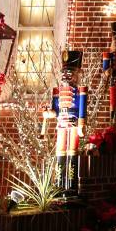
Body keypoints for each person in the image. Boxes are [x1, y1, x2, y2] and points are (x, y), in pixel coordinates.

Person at [47, 50, 87, 196]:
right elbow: (54, 110)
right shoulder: (57, 91)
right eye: (64, 72)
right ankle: (58, 184)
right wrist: (49, 113)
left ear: (77, 74)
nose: (65, 75)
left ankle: (71, 185)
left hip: (74, 123)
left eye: (70, 73)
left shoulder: (80, 91)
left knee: (72, 151)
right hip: (61, 124)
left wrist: (81, 124)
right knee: (60, 151)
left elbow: (82, 109)